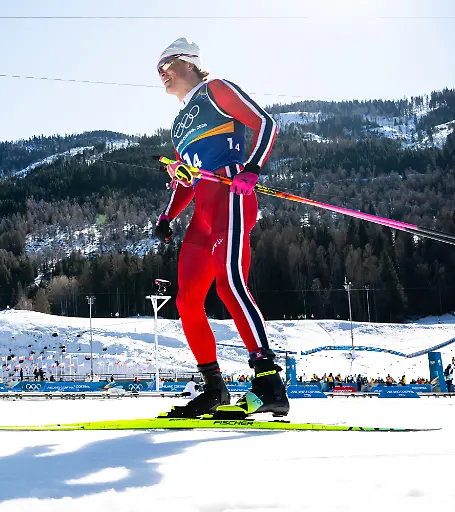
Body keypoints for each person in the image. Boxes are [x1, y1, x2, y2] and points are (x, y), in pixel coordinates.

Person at [155, 38, 288, 418]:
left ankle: (268, 383)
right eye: (157, 69)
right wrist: (167, 217)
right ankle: (214, 388)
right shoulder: (178, 123)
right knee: (186, 301)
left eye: (167, 64)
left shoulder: (215, 89)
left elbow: (264, 123)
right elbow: (185, 180)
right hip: (202, 211)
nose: (161, 73)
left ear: (190, 63)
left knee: (231, 284)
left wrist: (252, 167)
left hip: (231, 193)